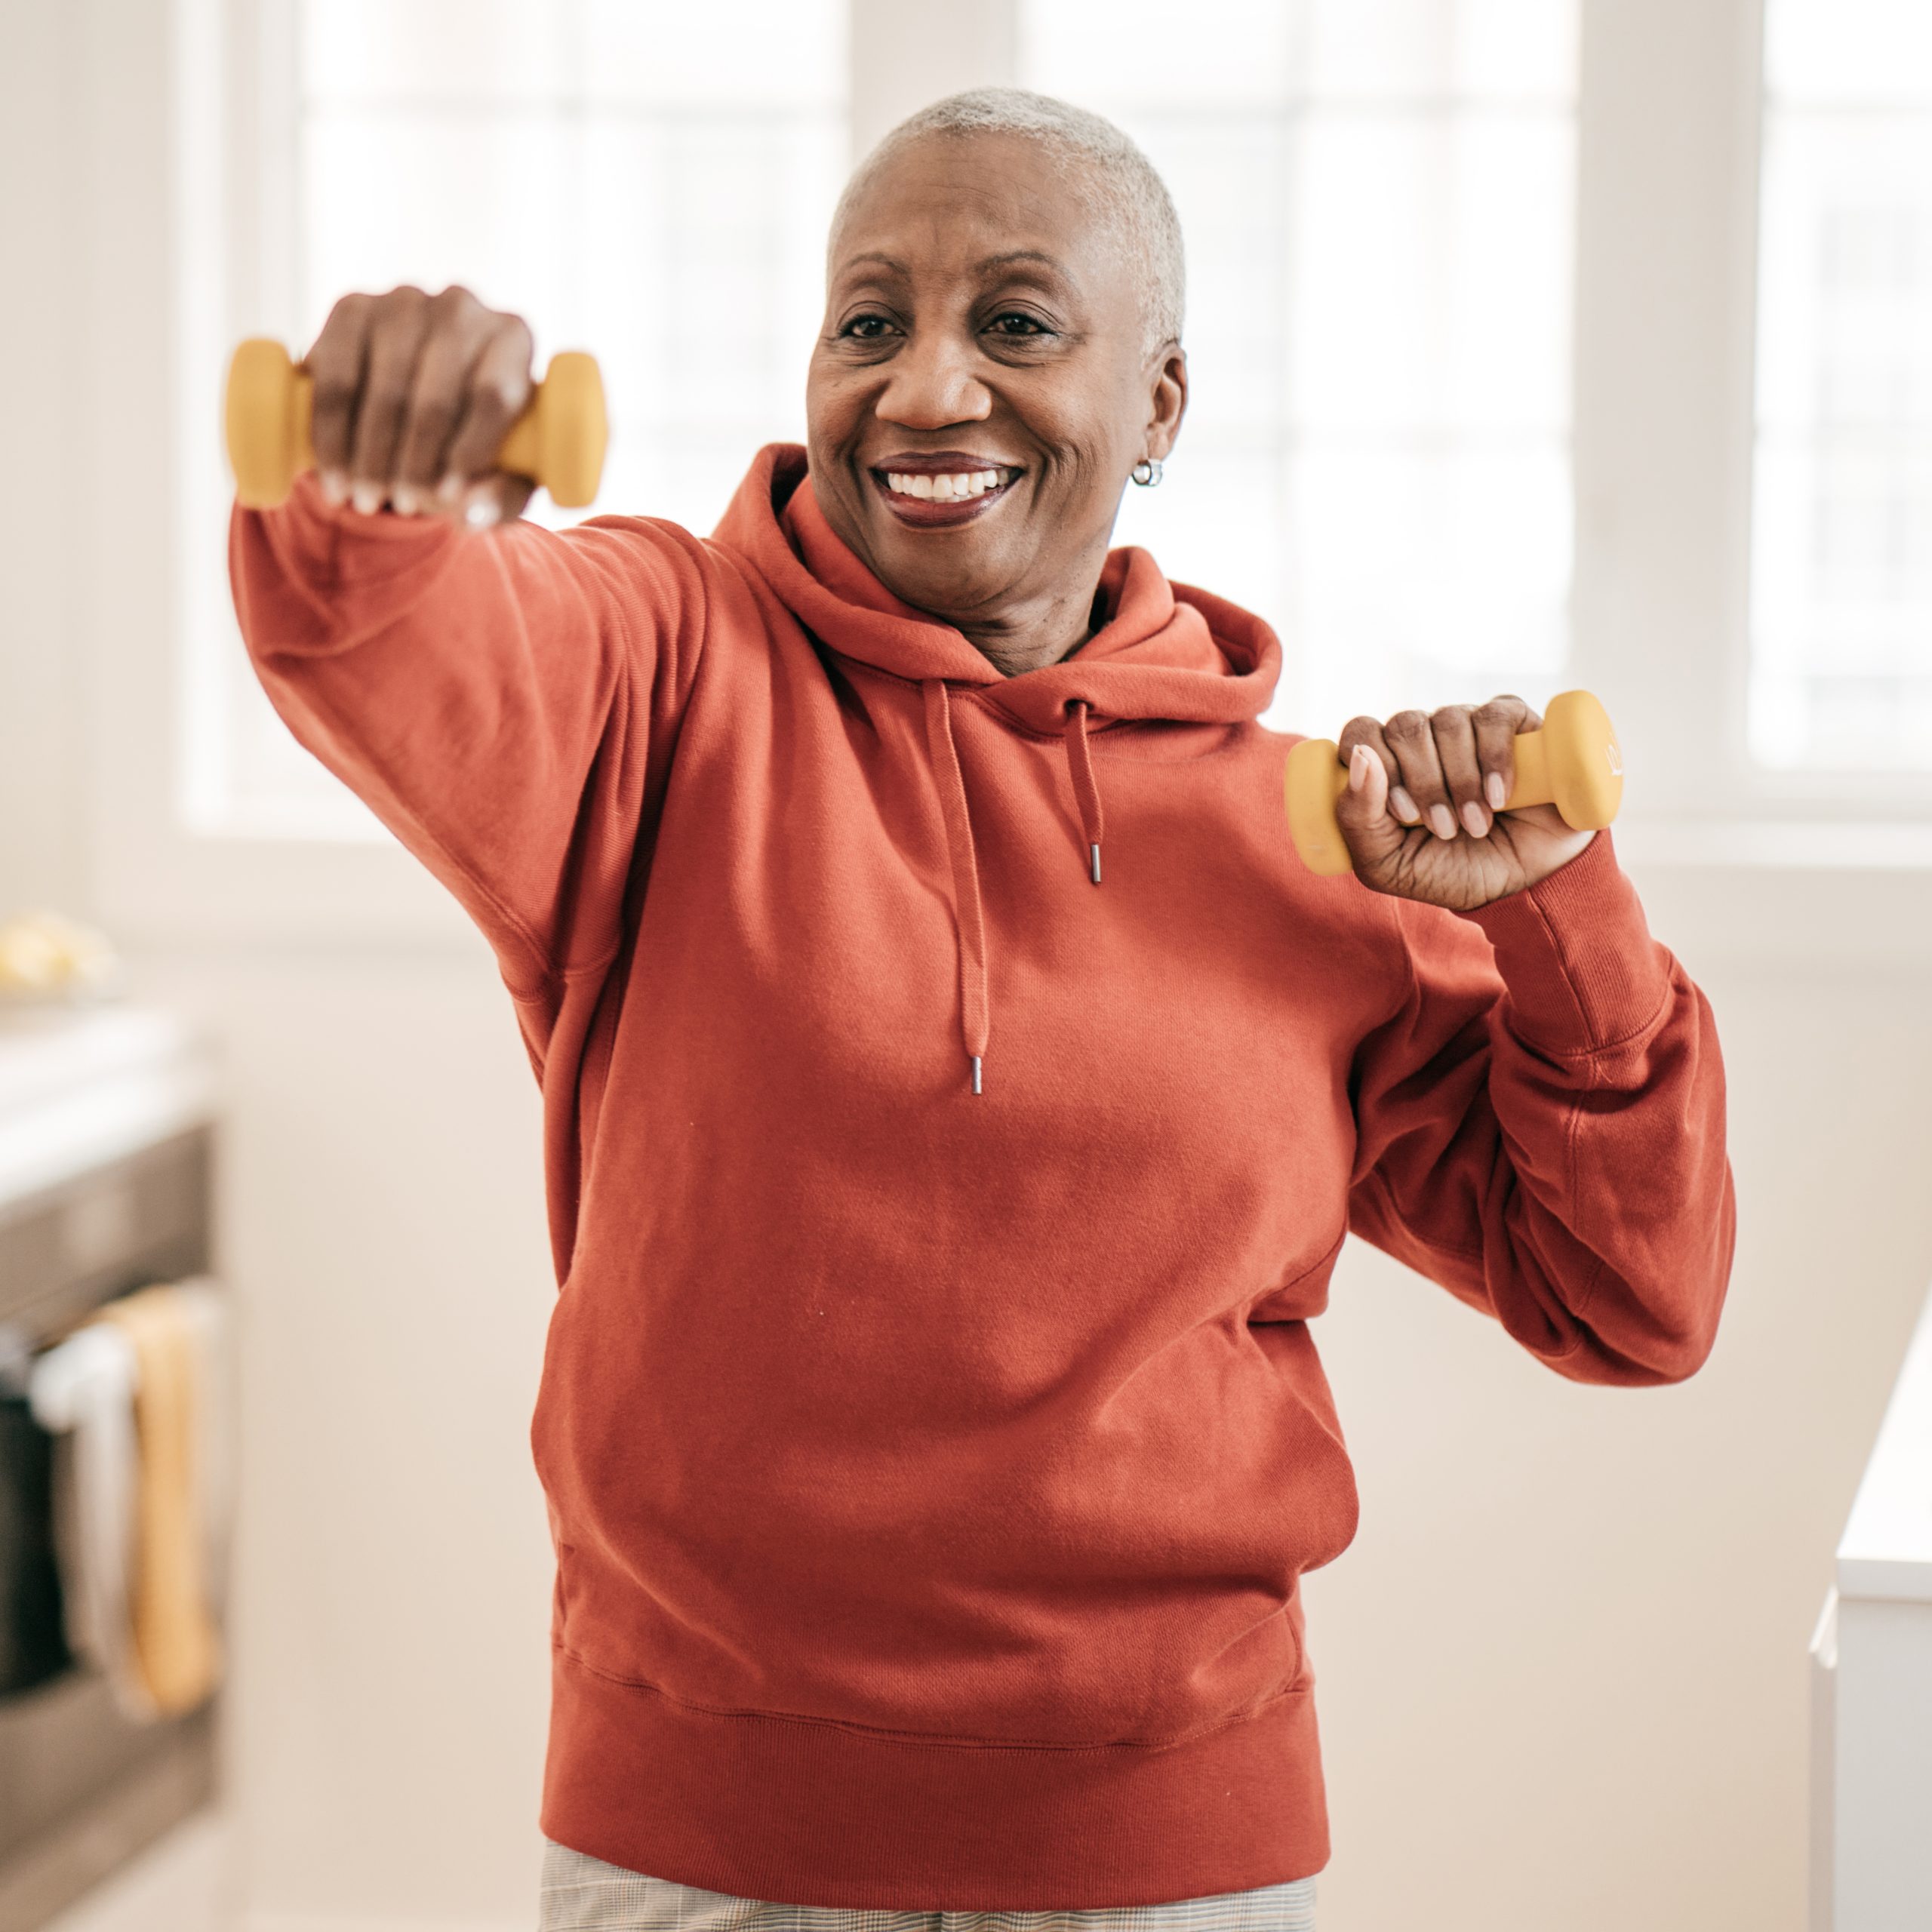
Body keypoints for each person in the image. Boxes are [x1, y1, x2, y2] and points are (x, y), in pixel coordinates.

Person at [228, 86, 1734, 1932]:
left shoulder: (1310, 833)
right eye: (869, 322)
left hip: (1171, 1844)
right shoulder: (666, 668)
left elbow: (1631, 1298)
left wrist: (1552, 918)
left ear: (1158, 402)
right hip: (704, 1839)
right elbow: (394, 640)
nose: (925, 391)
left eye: (1013, 322)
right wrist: (373, 494)